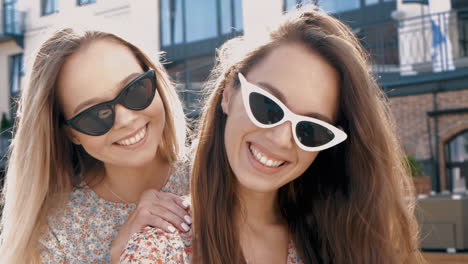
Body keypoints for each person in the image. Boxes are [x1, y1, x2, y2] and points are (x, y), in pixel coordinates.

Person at [120, 4, 426, 264]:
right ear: (229, 92)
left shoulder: (343, 241)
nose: (281, 139)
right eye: (268, 106)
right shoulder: (161, 247)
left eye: (311, 129)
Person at [0, 27, 192, 264]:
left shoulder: (212, 174)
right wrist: (120, 255)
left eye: (135, 89)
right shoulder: (56, 234)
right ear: (71, 133)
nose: (126, 119)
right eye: (95, 114)